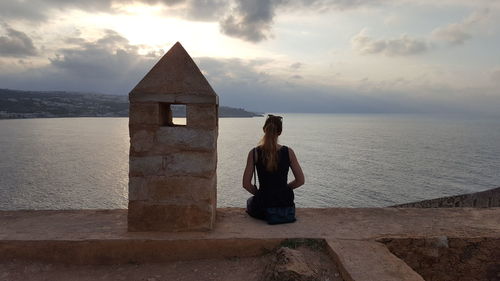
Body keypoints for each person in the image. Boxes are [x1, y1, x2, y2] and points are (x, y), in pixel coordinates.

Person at [242, 114, 305, 221]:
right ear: (280, 132)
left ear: (264, 130)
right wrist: (284, 189)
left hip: (263, 207)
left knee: (250, 203)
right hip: (284, 205)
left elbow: (246, 184)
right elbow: (300, 181)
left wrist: (261, 194)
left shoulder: (254, 153)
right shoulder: (288, 152)